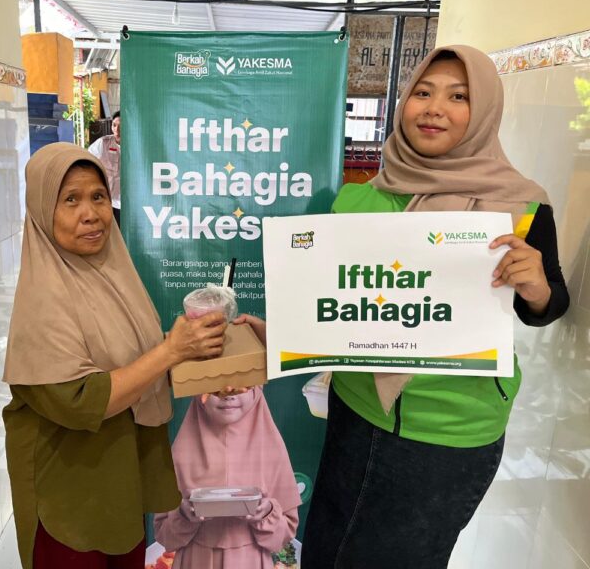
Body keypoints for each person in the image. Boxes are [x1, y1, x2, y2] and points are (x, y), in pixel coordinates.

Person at [238, 45, 570, 568]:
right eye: (423, 92)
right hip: (355, 411)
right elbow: (341, 300)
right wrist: (287, 329)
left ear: (485, 111)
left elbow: (549, 305)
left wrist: (535, 287)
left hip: (449, 433)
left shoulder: (521, 205)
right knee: (328, 548)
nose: (434, 108)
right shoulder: (359, 200)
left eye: (458, 96)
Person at [2, 143, 228, 569]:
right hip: (70, 494)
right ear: (42, 210)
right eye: (70, 200)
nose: (90, 214)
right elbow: (83, 400)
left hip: (122, 476)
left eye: (98, 197)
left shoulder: (113, 273)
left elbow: (137, 358)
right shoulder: (43, 299)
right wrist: (171, 350)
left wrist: (196, 350)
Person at [154, 387, 301, 568]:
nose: (228, 394)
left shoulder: (272, 450)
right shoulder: (181, 453)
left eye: (242, 385)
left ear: (256, 389)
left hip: (250, 561)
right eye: (215, 388)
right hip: (195, 560)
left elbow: (286, 533)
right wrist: (184, 515)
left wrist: (267, 513)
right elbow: (163, 534)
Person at [88, 111, 121, 225]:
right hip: (107, 201)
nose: (117, 130)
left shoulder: (135, 145)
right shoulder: (103, 143)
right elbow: (87, 161)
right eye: (114, 125)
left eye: (121, 126)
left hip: (127, 203)